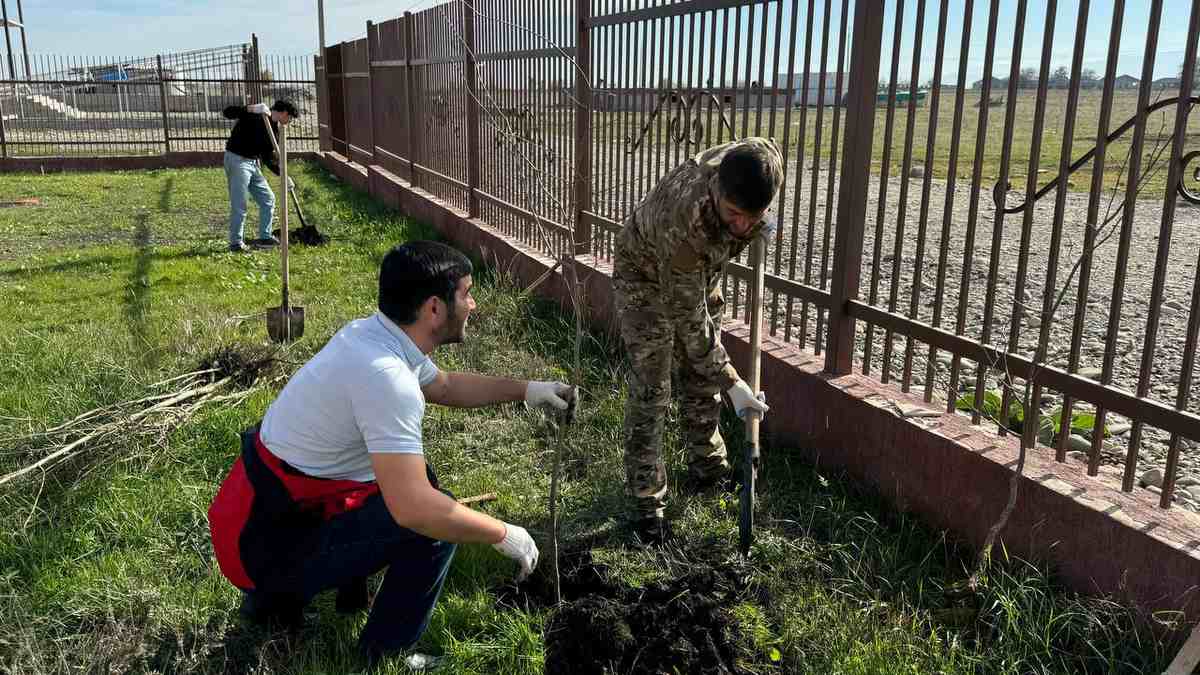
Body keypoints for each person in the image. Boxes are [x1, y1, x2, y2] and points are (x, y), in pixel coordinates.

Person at [207, 240, 574, 660]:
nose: (472, 304)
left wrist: (528, 390)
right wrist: (504, 533)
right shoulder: (385, 378)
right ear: (434, 308)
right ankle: (386, 654)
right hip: (264, 546)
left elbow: (445, 386)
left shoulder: (376, 336)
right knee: (431, 525)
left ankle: (315, 594)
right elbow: (415, 511)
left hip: (265, 518)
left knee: (420, 482)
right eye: (467, 293)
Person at [612, 137, 783, 542]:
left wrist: (759, 225)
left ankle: (708, 469)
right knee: (653, 388)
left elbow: (756, 183)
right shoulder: (683, 223)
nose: (742, 225)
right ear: (717, 190)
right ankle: (645, 502)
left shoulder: (764, 162)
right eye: (734, 214)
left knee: (700, 378)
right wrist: (735, 383)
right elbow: (689, 323)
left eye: (752, 217)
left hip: (700, 274)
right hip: (646, 275)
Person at [222, 99, 299, 253]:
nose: (289, 121)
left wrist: (284, 175)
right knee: (240, 204)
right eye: (289, 118)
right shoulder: (257, 115)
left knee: (268, 199)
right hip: (238, 160)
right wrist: (250, 108)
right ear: (284, 113)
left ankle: (265, 236)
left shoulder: (274, 129)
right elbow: (227, 112)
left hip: (253, 163)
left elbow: (268, 157)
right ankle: (236, 243)